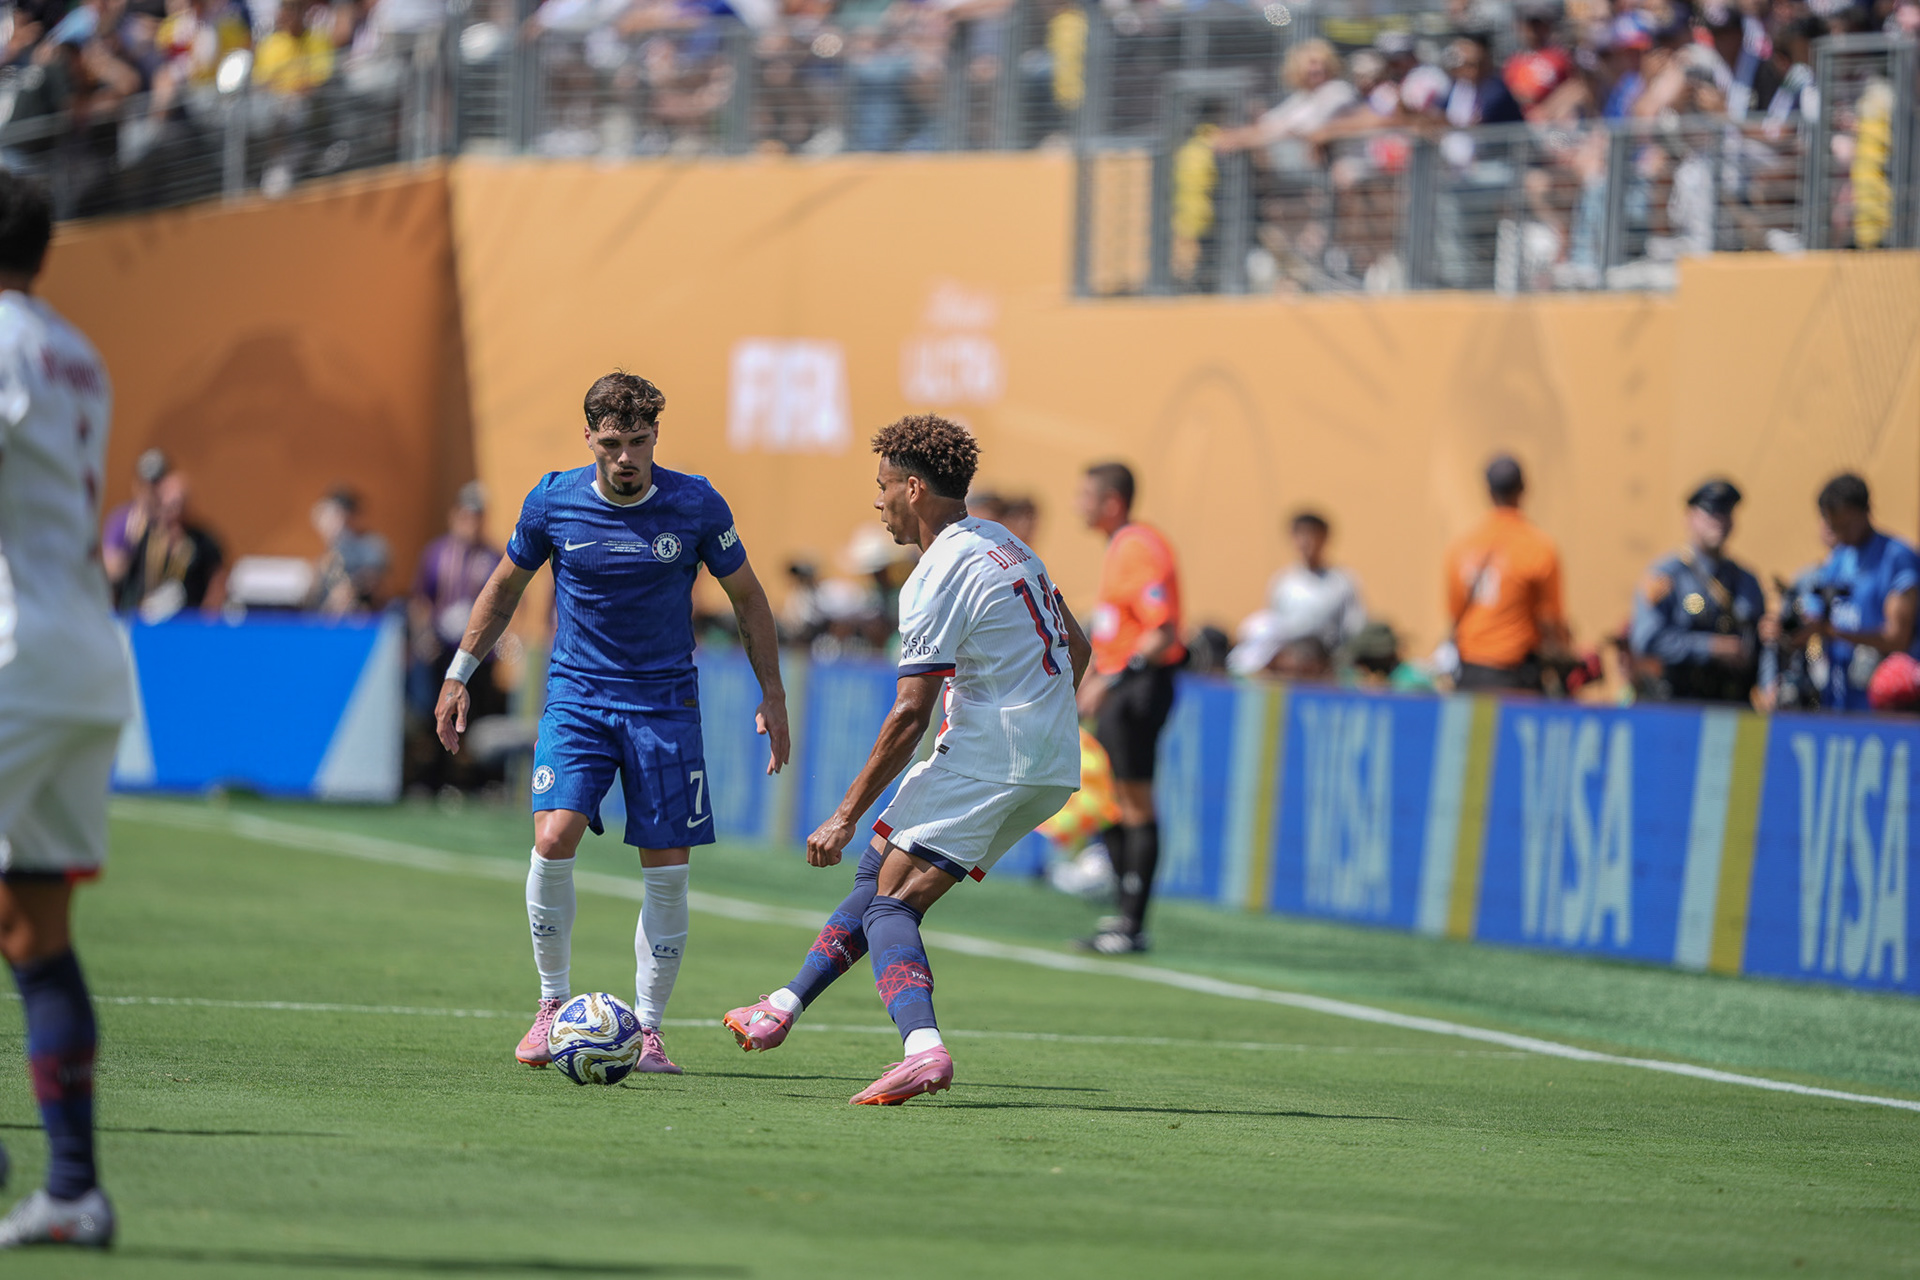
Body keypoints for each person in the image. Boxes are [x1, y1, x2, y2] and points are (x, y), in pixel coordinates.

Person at [721, 415, 1087, 1105]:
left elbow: (909, 713)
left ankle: (923, 1050)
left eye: (883, 486)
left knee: (892, 904)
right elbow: (1080, 648)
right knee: (881, 868)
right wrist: (1041, 717)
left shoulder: (933, 574)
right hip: (1048, 757)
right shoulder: (1008, 544)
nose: (879, 500)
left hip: (991, 750)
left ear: (914, 489)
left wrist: (842, 813)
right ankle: (782, 1006)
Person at [435, 371, 789, 1075]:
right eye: (612, 443)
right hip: (577, 699)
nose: (626, 457)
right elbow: (503, 587)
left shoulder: (695, 504)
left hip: (664, 706)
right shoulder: (553, 499)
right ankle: (550, 1006)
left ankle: (649, 1029)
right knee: (553, 832)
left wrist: (772, 694)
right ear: (589, 439)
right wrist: (459, 672)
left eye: (638, 442)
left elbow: (748, 599)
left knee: (666, 868)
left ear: (657, 436)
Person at [0, 172, 128, 1249]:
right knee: (33, 925)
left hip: (13, 646)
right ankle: (74, 1187)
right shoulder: (72, 349)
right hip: (84, 648)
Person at [1074, 461, 1182, 955]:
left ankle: (1132, 924)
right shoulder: (1120, 546)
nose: (1080, 503)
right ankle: (1123, 915)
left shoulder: (1138, 546)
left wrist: (1115, 679)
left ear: (1112, 501)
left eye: (1087, 495)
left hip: (1139, 689)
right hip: (1119, 687)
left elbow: (1163, 629)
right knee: (1114, 800)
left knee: (1135, 802)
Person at [1789, 473, 1920, 711]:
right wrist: (1790, 628)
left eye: (1846, 525)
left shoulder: (1896, 558)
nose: (1840, 534)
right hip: (1840, 700)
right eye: (1834, 526)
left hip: (1888, 705)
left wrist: (1833, 632)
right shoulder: (1839, 558)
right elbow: (1814, 615)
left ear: (1866, 511)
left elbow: (1898, 637)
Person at [1628, 480, 1764, 703]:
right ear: (1689, 517)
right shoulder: (1666, 575)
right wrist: (1711, 647)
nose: (1719, 520)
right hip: (1682, 705)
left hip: (1735, 704)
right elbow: (1646, 639)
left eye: (1726, 512)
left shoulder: (1746, 580)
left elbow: (1761, 642)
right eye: (1711, 512)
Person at [1444, 454, 1568, 692]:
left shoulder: (1461, 546)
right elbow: (1550, 620)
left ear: (1488, 491)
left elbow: (1455, 613)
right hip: (1515, 675)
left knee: (1474, 731)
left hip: (1469, 672)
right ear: (1524, 488)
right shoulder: (1538, 547)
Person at [409, 482, 502, 791]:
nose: (471, 523)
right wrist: (424, 634)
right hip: (443, 650)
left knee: (474, 717)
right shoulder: (436, 554)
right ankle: (434, 777)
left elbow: (506, 602)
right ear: (455, 516)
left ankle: (470, 781)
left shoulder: (491, 556)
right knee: (434, 712)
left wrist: (500, 641)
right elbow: (422, 598)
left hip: (479, 654)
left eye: (477, 516)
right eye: (466, 515)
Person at [113, 470, 224, 618]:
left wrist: (208, 617)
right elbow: (127, 584)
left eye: (179, 504)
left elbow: (218, 580)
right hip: (150, 621)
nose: (173, 510)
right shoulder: (147, 538)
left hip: (190, 623)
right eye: (169, 504)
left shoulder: (202, 541)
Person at [308, 486, 389, 616]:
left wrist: (350, 589)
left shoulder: (370, 544)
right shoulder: (330, 552)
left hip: (361, 618)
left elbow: (374, 577)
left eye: (333, 516)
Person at [99, 446, 166, 595]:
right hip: (130, 607)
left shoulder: (173, 522)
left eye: (159, 483)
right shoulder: (120, 521)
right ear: (137, 485)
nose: (154, 492)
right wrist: (134, 544)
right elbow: (113, 572)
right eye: (148, 485)